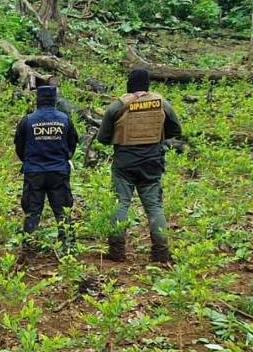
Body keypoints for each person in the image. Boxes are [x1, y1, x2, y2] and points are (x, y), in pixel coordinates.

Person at [97, 67, 182, 262]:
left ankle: (117, 251)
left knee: (121, 203)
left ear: (129, 85)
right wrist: (156, 138)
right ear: (147, 85)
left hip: (124, 162)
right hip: (152, 161)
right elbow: (175, 129)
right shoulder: (162, 103)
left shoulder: (117, 106)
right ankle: (161, 252)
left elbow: (103, 138)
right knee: (154, 206)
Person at [14, 85, 78, 253]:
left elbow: (20, 148)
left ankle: (28, 247)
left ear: (38, 100)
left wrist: (31, 161)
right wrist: (63, 158)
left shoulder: (27, 120)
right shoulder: (64, 119)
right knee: (62, 210)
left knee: (32, 210)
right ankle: (68, 246)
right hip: (58, 171)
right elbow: (72, 144)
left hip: (34, 172)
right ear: (54, 99)